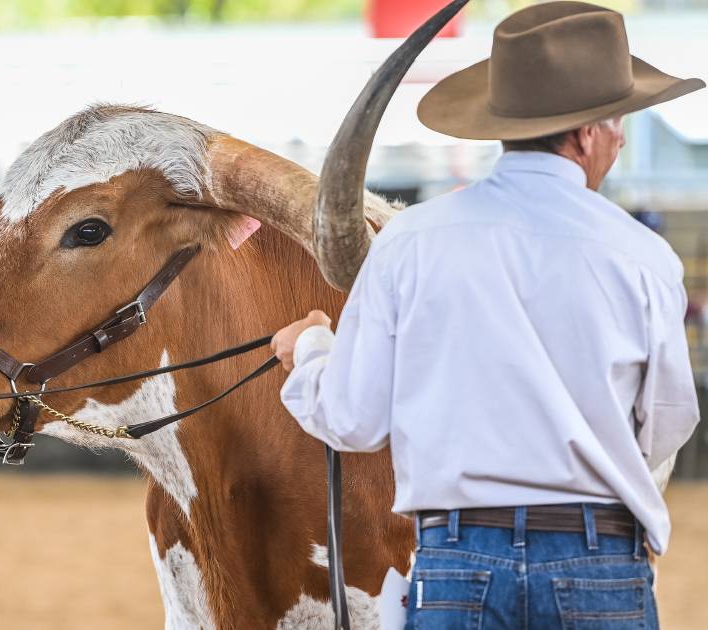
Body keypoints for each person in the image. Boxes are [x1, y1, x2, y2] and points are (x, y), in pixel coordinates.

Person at [271, 2, 703, 627]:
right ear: (585, 134)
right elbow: (666, 422)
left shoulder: (411, 242)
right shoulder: (643, 257)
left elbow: (352, 418)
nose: (621, 137)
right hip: (599, 562)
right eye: (617, 122)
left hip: (458, 560)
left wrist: (312, 352)